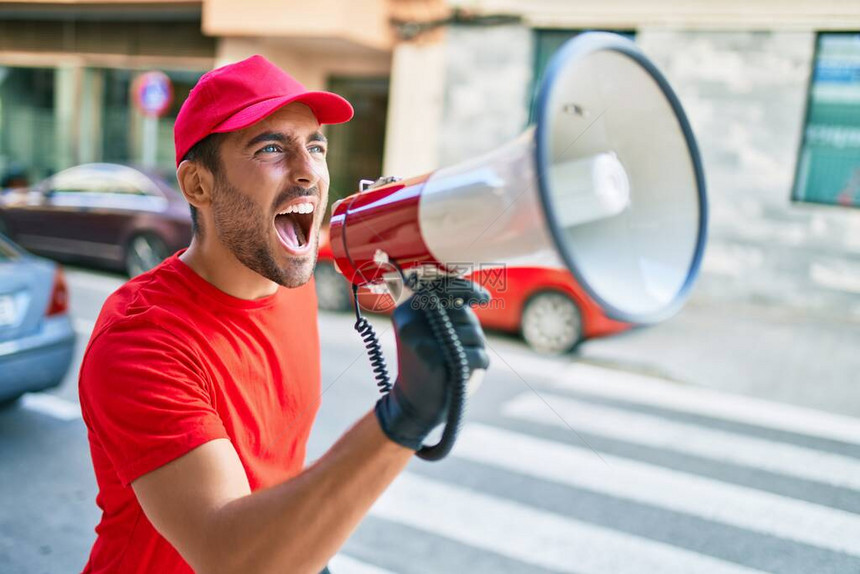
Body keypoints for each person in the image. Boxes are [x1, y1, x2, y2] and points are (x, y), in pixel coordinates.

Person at [78, 55, 489, 574]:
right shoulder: (140, 340)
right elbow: (229, 558)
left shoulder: (287, 277)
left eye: (316, 146)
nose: (309, 172)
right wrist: (402, 418)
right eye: (271, 147)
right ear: (198, 186)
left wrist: (422, 275)